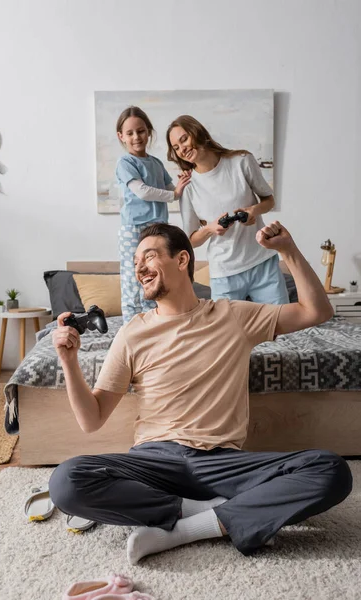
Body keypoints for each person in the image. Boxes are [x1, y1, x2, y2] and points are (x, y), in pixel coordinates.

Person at [49, 221, 352, 565]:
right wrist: (68, 361)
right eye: (135, 262)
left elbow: (317, 311)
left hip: (222, 465)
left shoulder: (234, 315)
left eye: (148, 257)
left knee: (330, 470)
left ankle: (183, 529)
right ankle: (215, 515)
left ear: (181, 260)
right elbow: (92, 419)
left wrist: (288, 250)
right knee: (66, 482)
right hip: (154, 462)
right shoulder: (132, 333)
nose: (139, 268)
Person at [166, 115, 289, 304]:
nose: (182, 148)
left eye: (184, 139)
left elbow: (269, 200)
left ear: (197, 132)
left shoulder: (241, 161)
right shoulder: (188, 186)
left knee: (279, 325)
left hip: (262, 262)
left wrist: (253, 211)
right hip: (224, 273)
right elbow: (190, 240)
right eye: (176, 147)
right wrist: (209, 229)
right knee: (226, 333)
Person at [115, 106, 191, 323]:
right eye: (129, 133)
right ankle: (132, 327)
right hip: (134, 228)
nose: (136, 137)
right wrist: (173, 192)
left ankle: (155, 322)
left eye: (140, 131)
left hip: (158, 230)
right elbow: (142, 191)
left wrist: (182, 182)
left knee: (157, 276)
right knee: (134, 278)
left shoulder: (156, 163)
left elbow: (171, 189)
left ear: (148, 131)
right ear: (122, 136)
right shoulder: (126, 163)